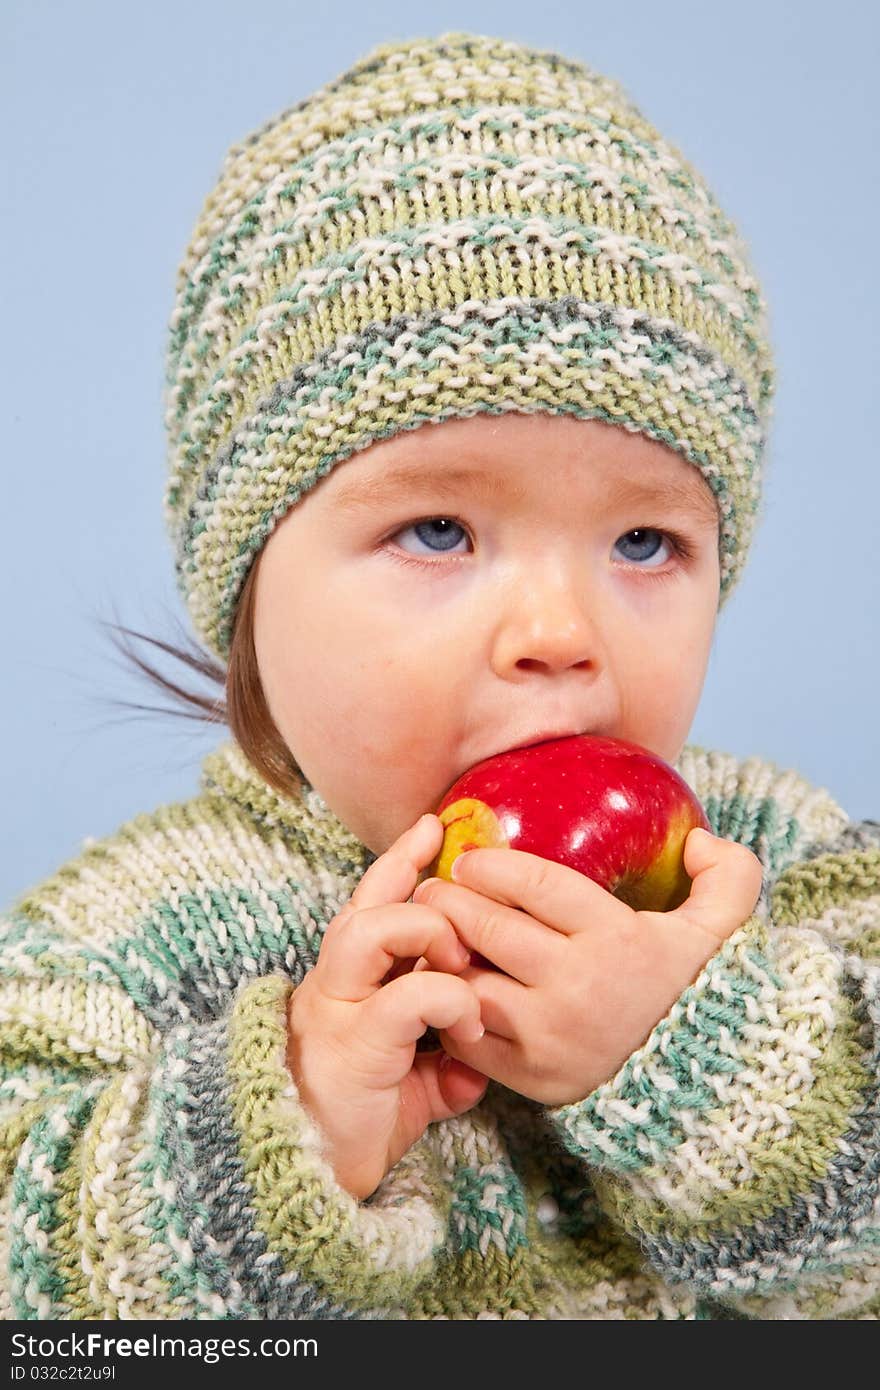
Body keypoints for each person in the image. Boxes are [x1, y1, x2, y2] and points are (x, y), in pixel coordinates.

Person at [2, 30, 877, 1322]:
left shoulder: (772, 871)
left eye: (645, 542)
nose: (559, 630)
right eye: (438, 532)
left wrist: (699, 1049)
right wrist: (287, 1130)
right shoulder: (123, 941)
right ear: (250, 588)